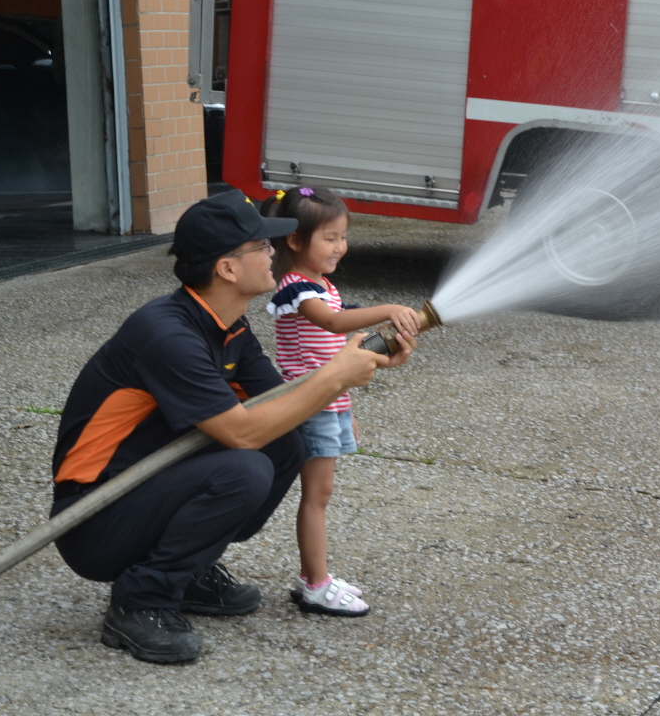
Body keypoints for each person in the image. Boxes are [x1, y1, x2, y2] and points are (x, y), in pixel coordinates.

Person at [49, 190, 411, 664]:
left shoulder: (229, 328)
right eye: (261, 246)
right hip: (95, 520)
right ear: (226, 269)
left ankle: (185, 571)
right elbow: (243, 434)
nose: (273, 253)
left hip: (143, 493)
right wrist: (335, 376)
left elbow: (286, 404)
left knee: (288, 442)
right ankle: (140, 600)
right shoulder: (168, 335)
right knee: (245, 468)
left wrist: (364, 361)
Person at [261, 186, 420, 616]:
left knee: (321, 494)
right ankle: (316, 584)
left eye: (343, 237)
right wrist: (387, 308)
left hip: (327, 402)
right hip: (309, 405)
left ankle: (312, 577)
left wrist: (345, 410)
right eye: (329, 237)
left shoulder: (322, 284)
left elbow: (337, 354)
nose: (340, 246)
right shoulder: (297, 288)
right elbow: (333, 324)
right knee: (317, 496)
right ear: (295, 241)